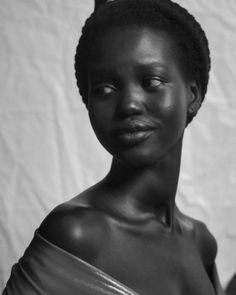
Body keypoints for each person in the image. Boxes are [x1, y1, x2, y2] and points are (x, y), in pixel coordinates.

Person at [3, 0, 225, 294]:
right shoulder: (77, 235)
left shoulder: (201, 243)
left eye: (151, 81)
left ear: (192, 95)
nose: (129, 104)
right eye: (105, 89)